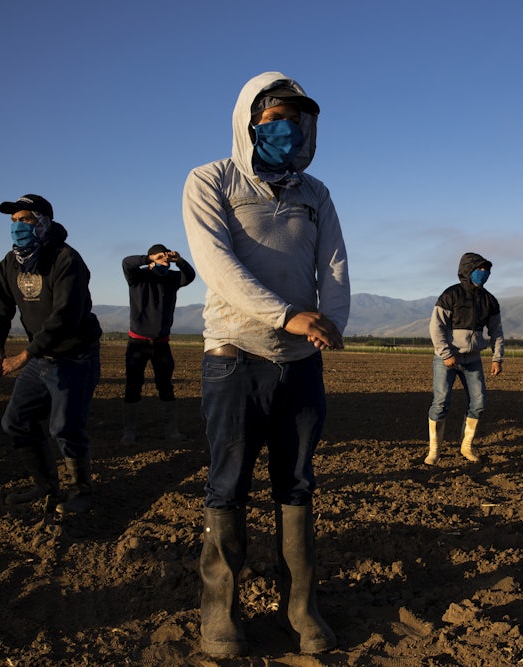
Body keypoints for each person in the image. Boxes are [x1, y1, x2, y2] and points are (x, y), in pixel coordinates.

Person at [183, 72, 349, 658]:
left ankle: (301, 608)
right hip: (234, 354)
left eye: (297, 118)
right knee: (228, 482)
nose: (287, 127)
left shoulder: (315, 192)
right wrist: (286, 315)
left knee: (296, 483)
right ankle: (219, 613)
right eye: (275, 115)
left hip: (302, 359)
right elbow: (217, 263)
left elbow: (332, 263)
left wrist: (331, 321)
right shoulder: (211, 181)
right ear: (249, 119)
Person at [0, 194, 102, 515]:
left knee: (65, 427)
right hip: (41, 357)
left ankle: (81, 489)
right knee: (16, 421)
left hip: (75, 356)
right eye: (13, 221)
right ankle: (46, 483)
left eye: (25, 219)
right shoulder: (11, 263)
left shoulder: (66, 260)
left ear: (43, 222)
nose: (17, 226)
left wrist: (23, 356)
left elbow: (66, 316)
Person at [426, 252, 505, 465]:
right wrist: (446, 354)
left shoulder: (490, 300)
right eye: (479, 268)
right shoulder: (451, 295)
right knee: (441, 402)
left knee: (479, 402)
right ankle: (435, 450)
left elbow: (496, 331)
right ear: (467, 270)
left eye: (486, 269)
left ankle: (466, 446)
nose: (484, 272)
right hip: (447, 360)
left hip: (473, 360)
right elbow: (436, 326)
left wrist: (497, 358)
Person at [120, 244, 196, 445]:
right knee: (133, 386)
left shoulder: (172, 279)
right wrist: (149, 258)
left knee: (165, 386)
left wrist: (178, 260)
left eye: (166, 260)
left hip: (161, 343)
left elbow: (190, 275)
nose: (164, 262)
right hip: (137, 342)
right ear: (151, 259)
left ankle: (171, 431)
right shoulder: (138, 277)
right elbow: (126, 262)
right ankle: (129, 432)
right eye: (160, 258)